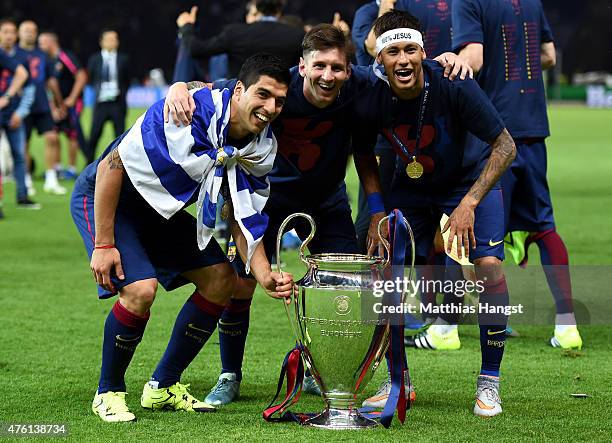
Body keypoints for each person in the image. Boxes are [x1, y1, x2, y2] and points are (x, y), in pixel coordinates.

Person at [165, 23, 471, 407]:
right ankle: (230, 375)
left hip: (328, 201)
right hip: (266, 199)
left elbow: (370, 140)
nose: (328, 76)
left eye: (337, 68)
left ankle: (317, 370)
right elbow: (214, 90)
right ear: (303, 66)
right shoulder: (277, 87)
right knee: (240, 286)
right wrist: (180, 88)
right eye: (320, 66)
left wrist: (444, 62)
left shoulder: (362, 87)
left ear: (349, 69)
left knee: (343, 287)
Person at [70, 53, 294, 423]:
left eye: (280, 101)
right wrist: (104, 244)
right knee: (140, 289)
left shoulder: (259, 147)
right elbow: (112, 165)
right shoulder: (187, 111)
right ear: (239, 90)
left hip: (158, 210)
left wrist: (265, 272)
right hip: (106, 197)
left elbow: (242, 214)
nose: (270, 108)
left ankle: (162, 387)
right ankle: (107, 391)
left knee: (222, 279)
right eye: (263, 94)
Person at [353, 10, 516, 417]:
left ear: (424, 52)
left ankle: (489, 383)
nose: (403, 60)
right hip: (408, 189)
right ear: (380, 60)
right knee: (386, 271)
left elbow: (505, 146)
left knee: (490, 267)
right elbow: (362, 153)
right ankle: (398, 380)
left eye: (411, 50)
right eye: (394, 52)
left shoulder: (453, 81)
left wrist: (469, 204)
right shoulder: (368, 91)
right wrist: (376, 211)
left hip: (465, 185)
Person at [452, 0, 583, 349]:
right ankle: (567, 327)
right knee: (544, 226)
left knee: (474, 226)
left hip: (496, 133)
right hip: (533, 127)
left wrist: (445, 67)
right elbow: (549, 56)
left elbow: (474, 58)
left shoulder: (469, 2)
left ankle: (444, 328)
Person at [176, 1, 304, 78]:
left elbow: (195, 49)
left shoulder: (234, 33)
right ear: (279, 10)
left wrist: (187, 27)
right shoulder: (298, 36)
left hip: (241, 105)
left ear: (257, 8)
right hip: (283, 106)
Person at [18, 20, 64, 195]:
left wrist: (59, 103)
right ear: (19, 33)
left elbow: (51, 80)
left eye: (32, 30)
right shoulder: (13, 54)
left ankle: (51, 179)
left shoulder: (43, 54)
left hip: (42, 104)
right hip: (22, 106)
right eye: (26, 30)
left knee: (52, 138)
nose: (29, 33)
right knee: (24, 143)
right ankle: (26, 178)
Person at [0, 18, 39, 209]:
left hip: (13, 113)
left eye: (12, 32)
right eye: (5, 31)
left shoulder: (23, 58)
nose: (9, 35)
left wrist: (20, 112)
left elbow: (30, 88)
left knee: (19, 155)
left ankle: (22, 196)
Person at [38, 31, 87, 180]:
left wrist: (72, 98)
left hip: (72, 103)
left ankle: (71, 169)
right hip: (57, 105)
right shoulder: (47, 60)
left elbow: (81, 75)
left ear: (51, 42)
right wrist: (54, 106)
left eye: (42, 42)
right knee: (55, 132)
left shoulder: (65, 56)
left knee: (72, 134)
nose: (40, 46)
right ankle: (57, 167)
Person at [86, 29, 129, 163]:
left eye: (114, 39)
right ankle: (88, 165)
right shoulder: (95, 59)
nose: (111, 42)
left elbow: (127, 79)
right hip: (101, 103)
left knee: (121, 137)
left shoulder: (124, 59)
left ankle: (122, 166)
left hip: (117, 102)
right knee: (94, 136)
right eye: (108, 39)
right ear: (101, 42)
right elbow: (90, 77)